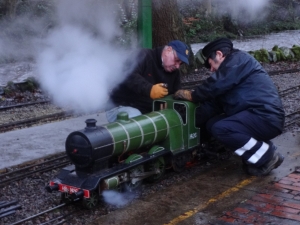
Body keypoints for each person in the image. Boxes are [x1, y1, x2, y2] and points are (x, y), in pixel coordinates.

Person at [173, 37, 285, 176]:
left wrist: (194, 96)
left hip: (266, 116)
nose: (212, 70)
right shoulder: (229, 79)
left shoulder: (238, 60)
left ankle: (267, 156)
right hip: (256, 115)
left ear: (219, 54)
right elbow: (212, 106)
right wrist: (184, 120)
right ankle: (263, 147)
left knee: (221, 128)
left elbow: (216, 84)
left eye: (211, 64)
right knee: (213, 123)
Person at [106, 40, 190, 122]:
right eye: (177, 60)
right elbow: (128, 75)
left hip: (147, 111)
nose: (178, 66)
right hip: (120, 106)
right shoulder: (143, 55)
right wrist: (149, 89)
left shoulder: (175, 73)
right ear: (168, 50)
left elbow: (175, 96)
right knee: (137, 119)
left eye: (181, 63)